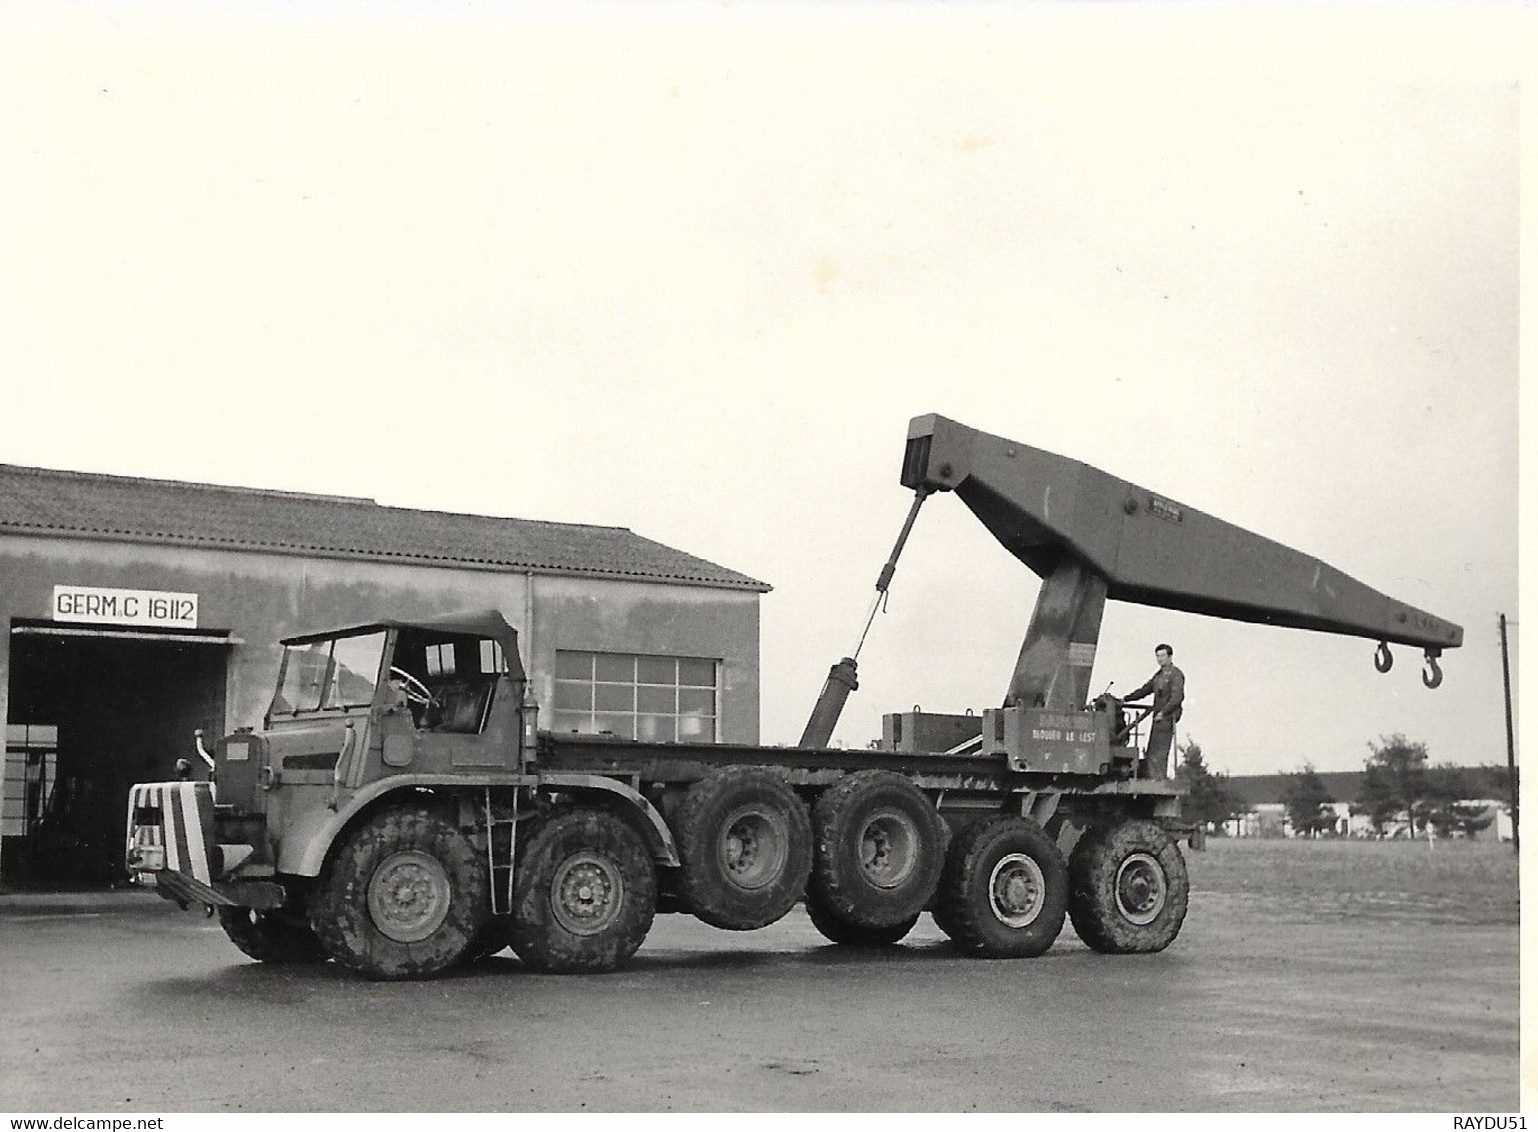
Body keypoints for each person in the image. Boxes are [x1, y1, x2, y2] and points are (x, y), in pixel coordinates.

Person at [1126, 643, 1184, 779]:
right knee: (1152, 752)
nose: (1160, 659)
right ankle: (1152, 779)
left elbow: (1177, 697)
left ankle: (1157, 780)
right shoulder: (1158, 676)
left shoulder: (1176, 674)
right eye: (1158, 656)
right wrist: (1126, 698)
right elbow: (1145, 689)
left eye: (1163, 656)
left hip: (1167, 718)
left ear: (1170, 657)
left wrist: (1163, 713)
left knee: (1159, 753)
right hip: (1158, 719)